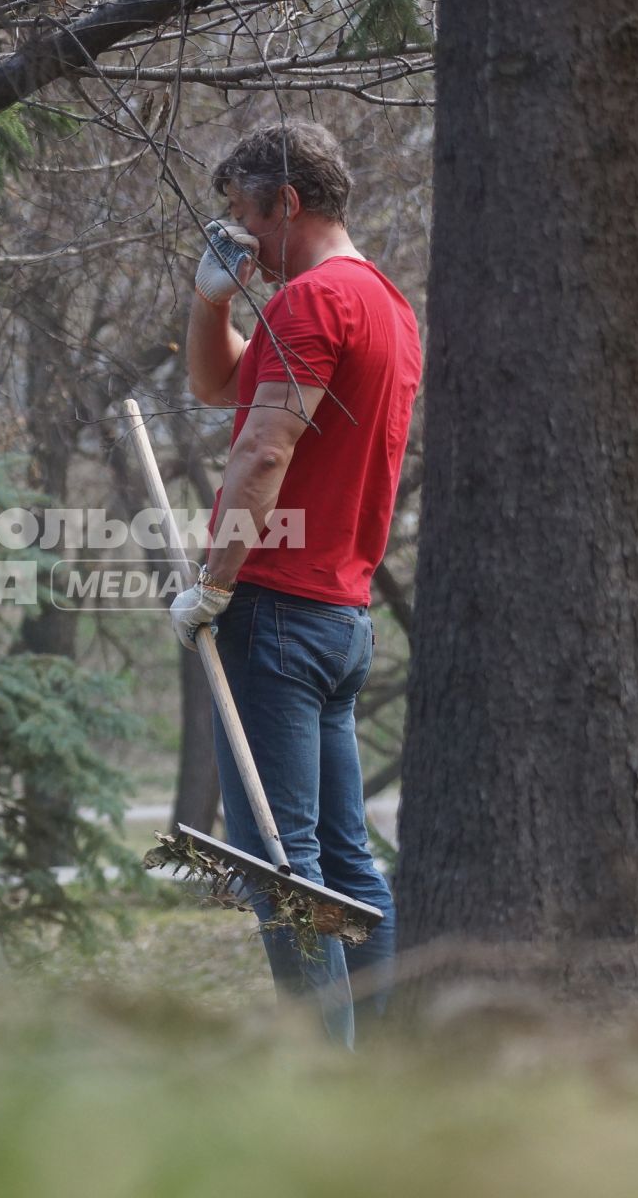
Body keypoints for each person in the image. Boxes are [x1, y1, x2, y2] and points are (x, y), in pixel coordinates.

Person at [169, 118, 421, 1048]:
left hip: (273, 610)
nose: (236, 236)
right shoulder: (384, 303)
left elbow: (262, 449)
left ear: (287, 202)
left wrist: (215, 582)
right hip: (338, 620)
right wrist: (213, 301)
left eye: (243, 215)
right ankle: (380, 1083)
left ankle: (325, 1093)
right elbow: (218, 388)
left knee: (283, 869)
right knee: (343, 870)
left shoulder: (312, 304)